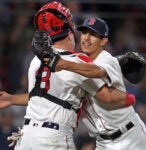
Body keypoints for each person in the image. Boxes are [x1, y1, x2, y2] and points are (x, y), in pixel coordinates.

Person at [0, 1, 136, 150]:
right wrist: (130, 97)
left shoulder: (36, 61)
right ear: (70, 33)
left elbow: (42, 96)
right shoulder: (77, 61)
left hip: (26, 138)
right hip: (54, 138)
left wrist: (12, 99)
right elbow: (107, 97)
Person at [52, 17, 146, 149]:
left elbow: (97, 74)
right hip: (103, 143)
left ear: (103, 40)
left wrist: (63, 64)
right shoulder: (78, 65)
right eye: (84, 33)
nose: (86, 38)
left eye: (92, 34)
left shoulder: (107, 60)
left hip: (131, 136)